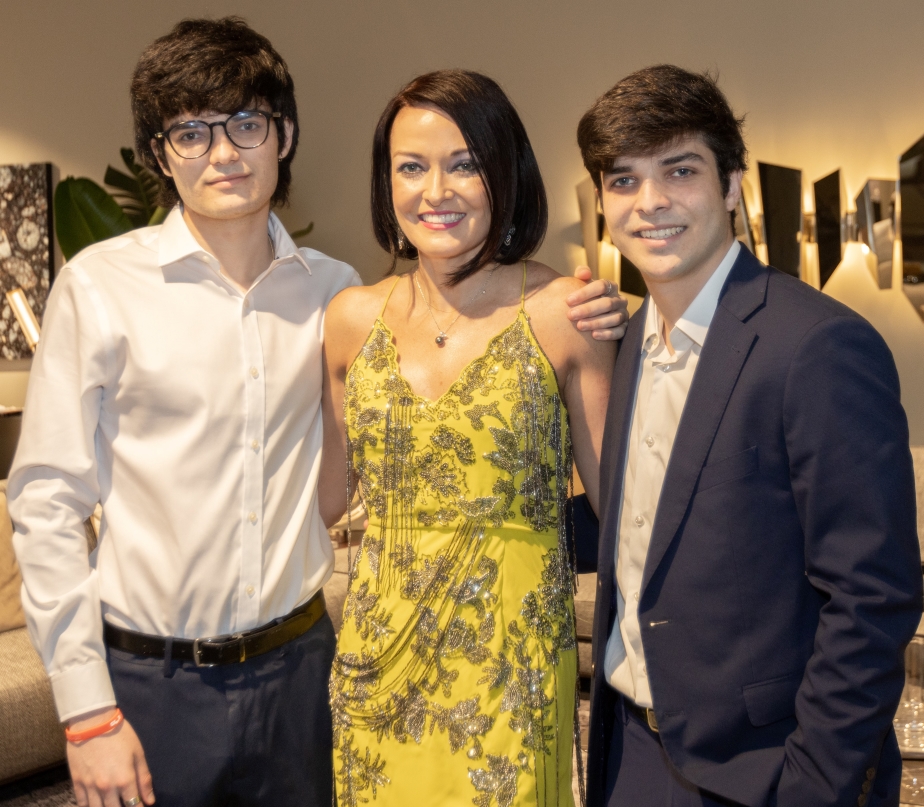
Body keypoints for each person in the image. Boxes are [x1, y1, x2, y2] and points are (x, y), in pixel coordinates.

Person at [9, 20, 626, 807]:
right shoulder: (101, 289)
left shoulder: (335, 294)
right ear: (161, 153)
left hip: (304, 669)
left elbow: (348, 474)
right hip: (154, 682)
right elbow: (46, 501)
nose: (224, 153)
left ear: (285, 134)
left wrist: (611, 311)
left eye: (246, 123)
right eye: (190, 132)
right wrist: (88, 712)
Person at [573, 64, 923, 807]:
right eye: (624, 180)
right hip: (631, 753)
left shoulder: (818, 345)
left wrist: (810, 784)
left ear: (733, 183)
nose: (652, 202)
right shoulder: (635, 338)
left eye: (680, 170)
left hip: (762, 771)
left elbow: (874, 596)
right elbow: (651, 525)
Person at [320, 69, 616, 807]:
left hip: (508, 669)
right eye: (411, 167)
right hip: (375, 660)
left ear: (506, 172)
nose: (435, 191)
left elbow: (622, 502)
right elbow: (324, 494)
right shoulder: (350, 318)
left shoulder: (564, 310)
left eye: (464, 164)